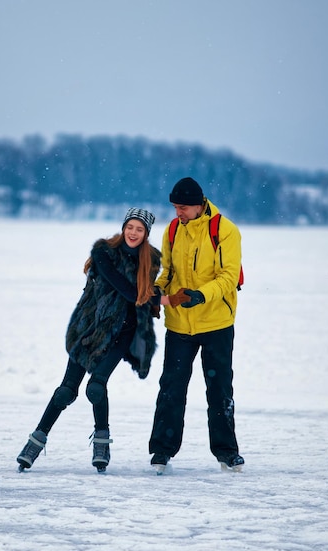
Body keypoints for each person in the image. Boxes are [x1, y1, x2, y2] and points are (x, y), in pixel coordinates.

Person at [17, 207, 161, 473]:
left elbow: (142, 294)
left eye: (139, 229)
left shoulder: (150, 261)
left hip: (121, 332)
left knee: (95, 387)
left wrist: (157, 297)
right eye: (130, 227)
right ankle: (35, 441)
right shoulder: (103, 252)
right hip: (89, 328)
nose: (133, 232)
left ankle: (102, 442)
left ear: (146, 234)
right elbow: (128, 290)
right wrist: (155, 297)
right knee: (66, 391)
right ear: (123, 227)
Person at [149, 177, 244, 473]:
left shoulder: (225, 231)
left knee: (219, 389)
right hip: (179, 325)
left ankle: (227, 452)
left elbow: (228, 277)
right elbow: (169, 271)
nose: (178, 212)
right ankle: (161, 452)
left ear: (199, 204)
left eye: (183, 207)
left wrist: (201, 296)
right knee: (171, 389)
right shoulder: (173, 230)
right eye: (175, 207)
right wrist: (156, 293)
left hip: (216, 322)